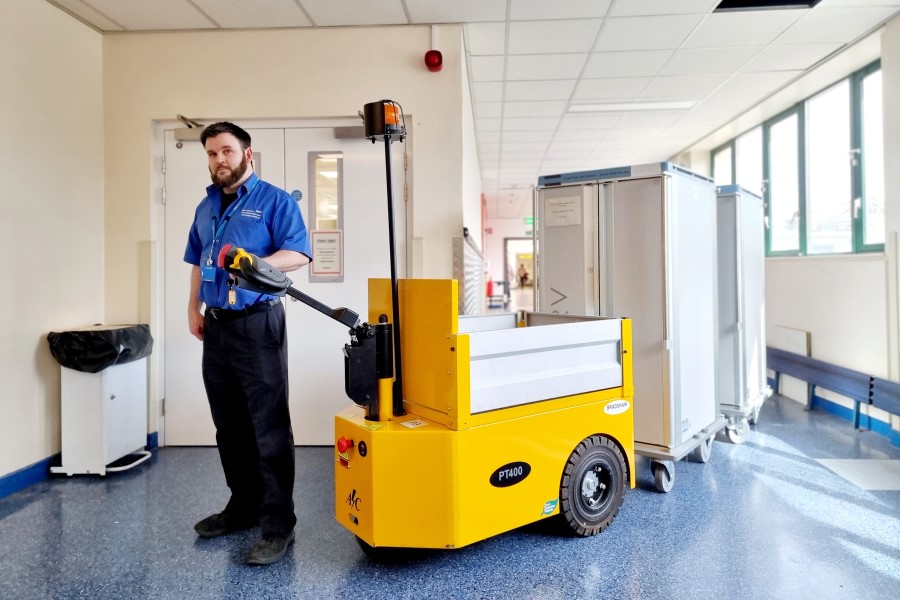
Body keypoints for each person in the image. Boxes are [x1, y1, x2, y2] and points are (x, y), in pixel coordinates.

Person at [183, 122, 311, 566]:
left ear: (247, 154)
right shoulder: (205, 206)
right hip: (216, 327)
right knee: (230, 424)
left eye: (227, 151)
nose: (220, 160)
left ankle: (279, 524)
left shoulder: (273, 201)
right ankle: (243, 506)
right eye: (212, 154)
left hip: (258, 324)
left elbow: (298, 253)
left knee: (269, 427)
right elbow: (198, 259)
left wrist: (255, 263)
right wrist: (193, 308)